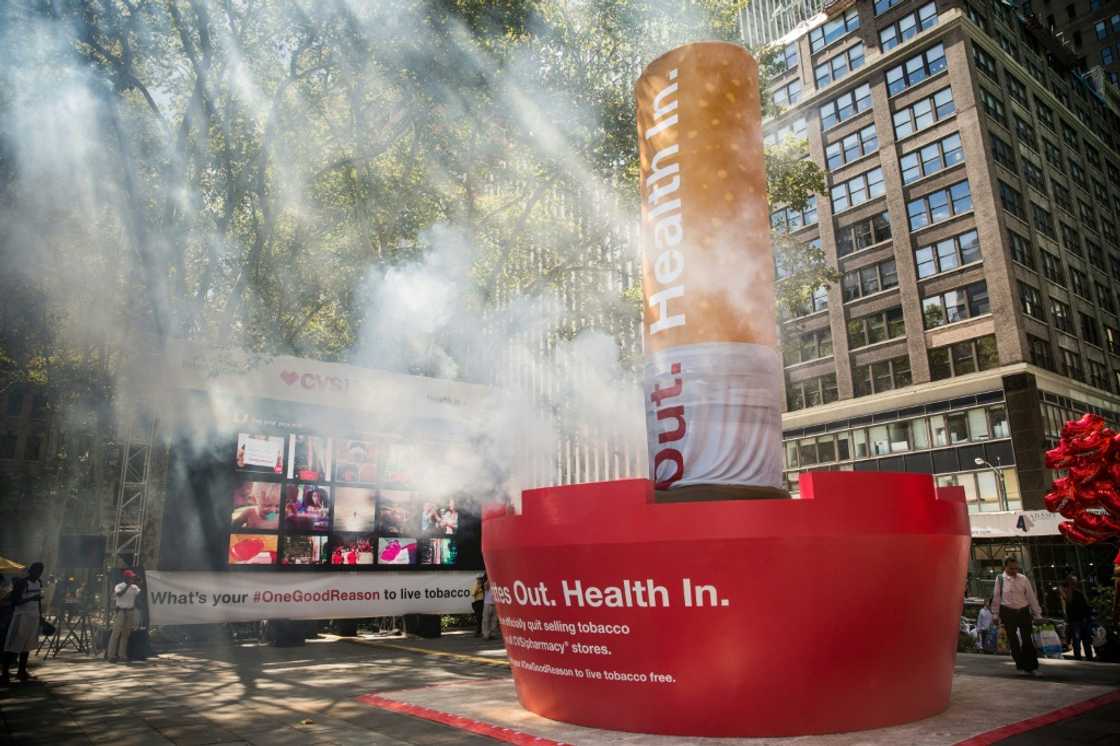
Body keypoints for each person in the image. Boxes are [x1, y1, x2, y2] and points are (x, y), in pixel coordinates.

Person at [992, 557, 1042, 675]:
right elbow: (996, 597)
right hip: (1007, 612)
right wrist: (995, 614)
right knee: (1013, 640)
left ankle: (1031, 667)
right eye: (1011, 568)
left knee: (1027, 640)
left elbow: (1031, 597)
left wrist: (1037, 614)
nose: (1014, 570)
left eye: (1016, 568)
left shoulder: (1023, 579)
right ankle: (1020, 665)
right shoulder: (1000, 579)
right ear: (1005, 567)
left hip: (1023, 611)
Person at [1, 561, 44, 686]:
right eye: (37, 571)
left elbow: (38, 602)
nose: (39, 573)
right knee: (13, 645)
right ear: (31, 570)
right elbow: (15, 601)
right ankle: (4, 674)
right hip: (21, 617)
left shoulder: (38, 583)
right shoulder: (22, 583)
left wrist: (40, 616)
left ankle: (21, 671)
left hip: (33, 617)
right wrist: (31, 598)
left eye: (41, 571)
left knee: (27, 646)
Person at [107, 570, 142, 663]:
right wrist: (127, 586)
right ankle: (111, 655)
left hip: (130, 612)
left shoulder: (134, 587)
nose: (132, 579)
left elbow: (139, 593)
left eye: (132, 577)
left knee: (125, 635)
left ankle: (122, 655)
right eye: (130, 577)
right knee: (116, 633)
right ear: (125, 578)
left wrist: (138, 582)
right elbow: (118, 594)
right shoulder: (119, 586)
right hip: (121, 612)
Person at [1061, 575, 1094, 661]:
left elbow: (1073, 611)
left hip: (1076, 621)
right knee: (1084, 641)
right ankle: (1088, 657)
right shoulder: (1077, 594)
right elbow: (1086, 607)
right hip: (1081, 620)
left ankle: (1078, 658)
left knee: (1077, 641)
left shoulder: (1071, 596)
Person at [481, 577, 499, 641]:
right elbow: (486, 586)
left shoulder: (497, 583)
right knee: (486, 620)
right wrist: (490, 577)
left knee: (494, 620)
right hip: (487, 604)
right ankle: (486, 635)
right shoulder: (487, 583)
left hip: (495, 604)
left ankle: (492, 634)